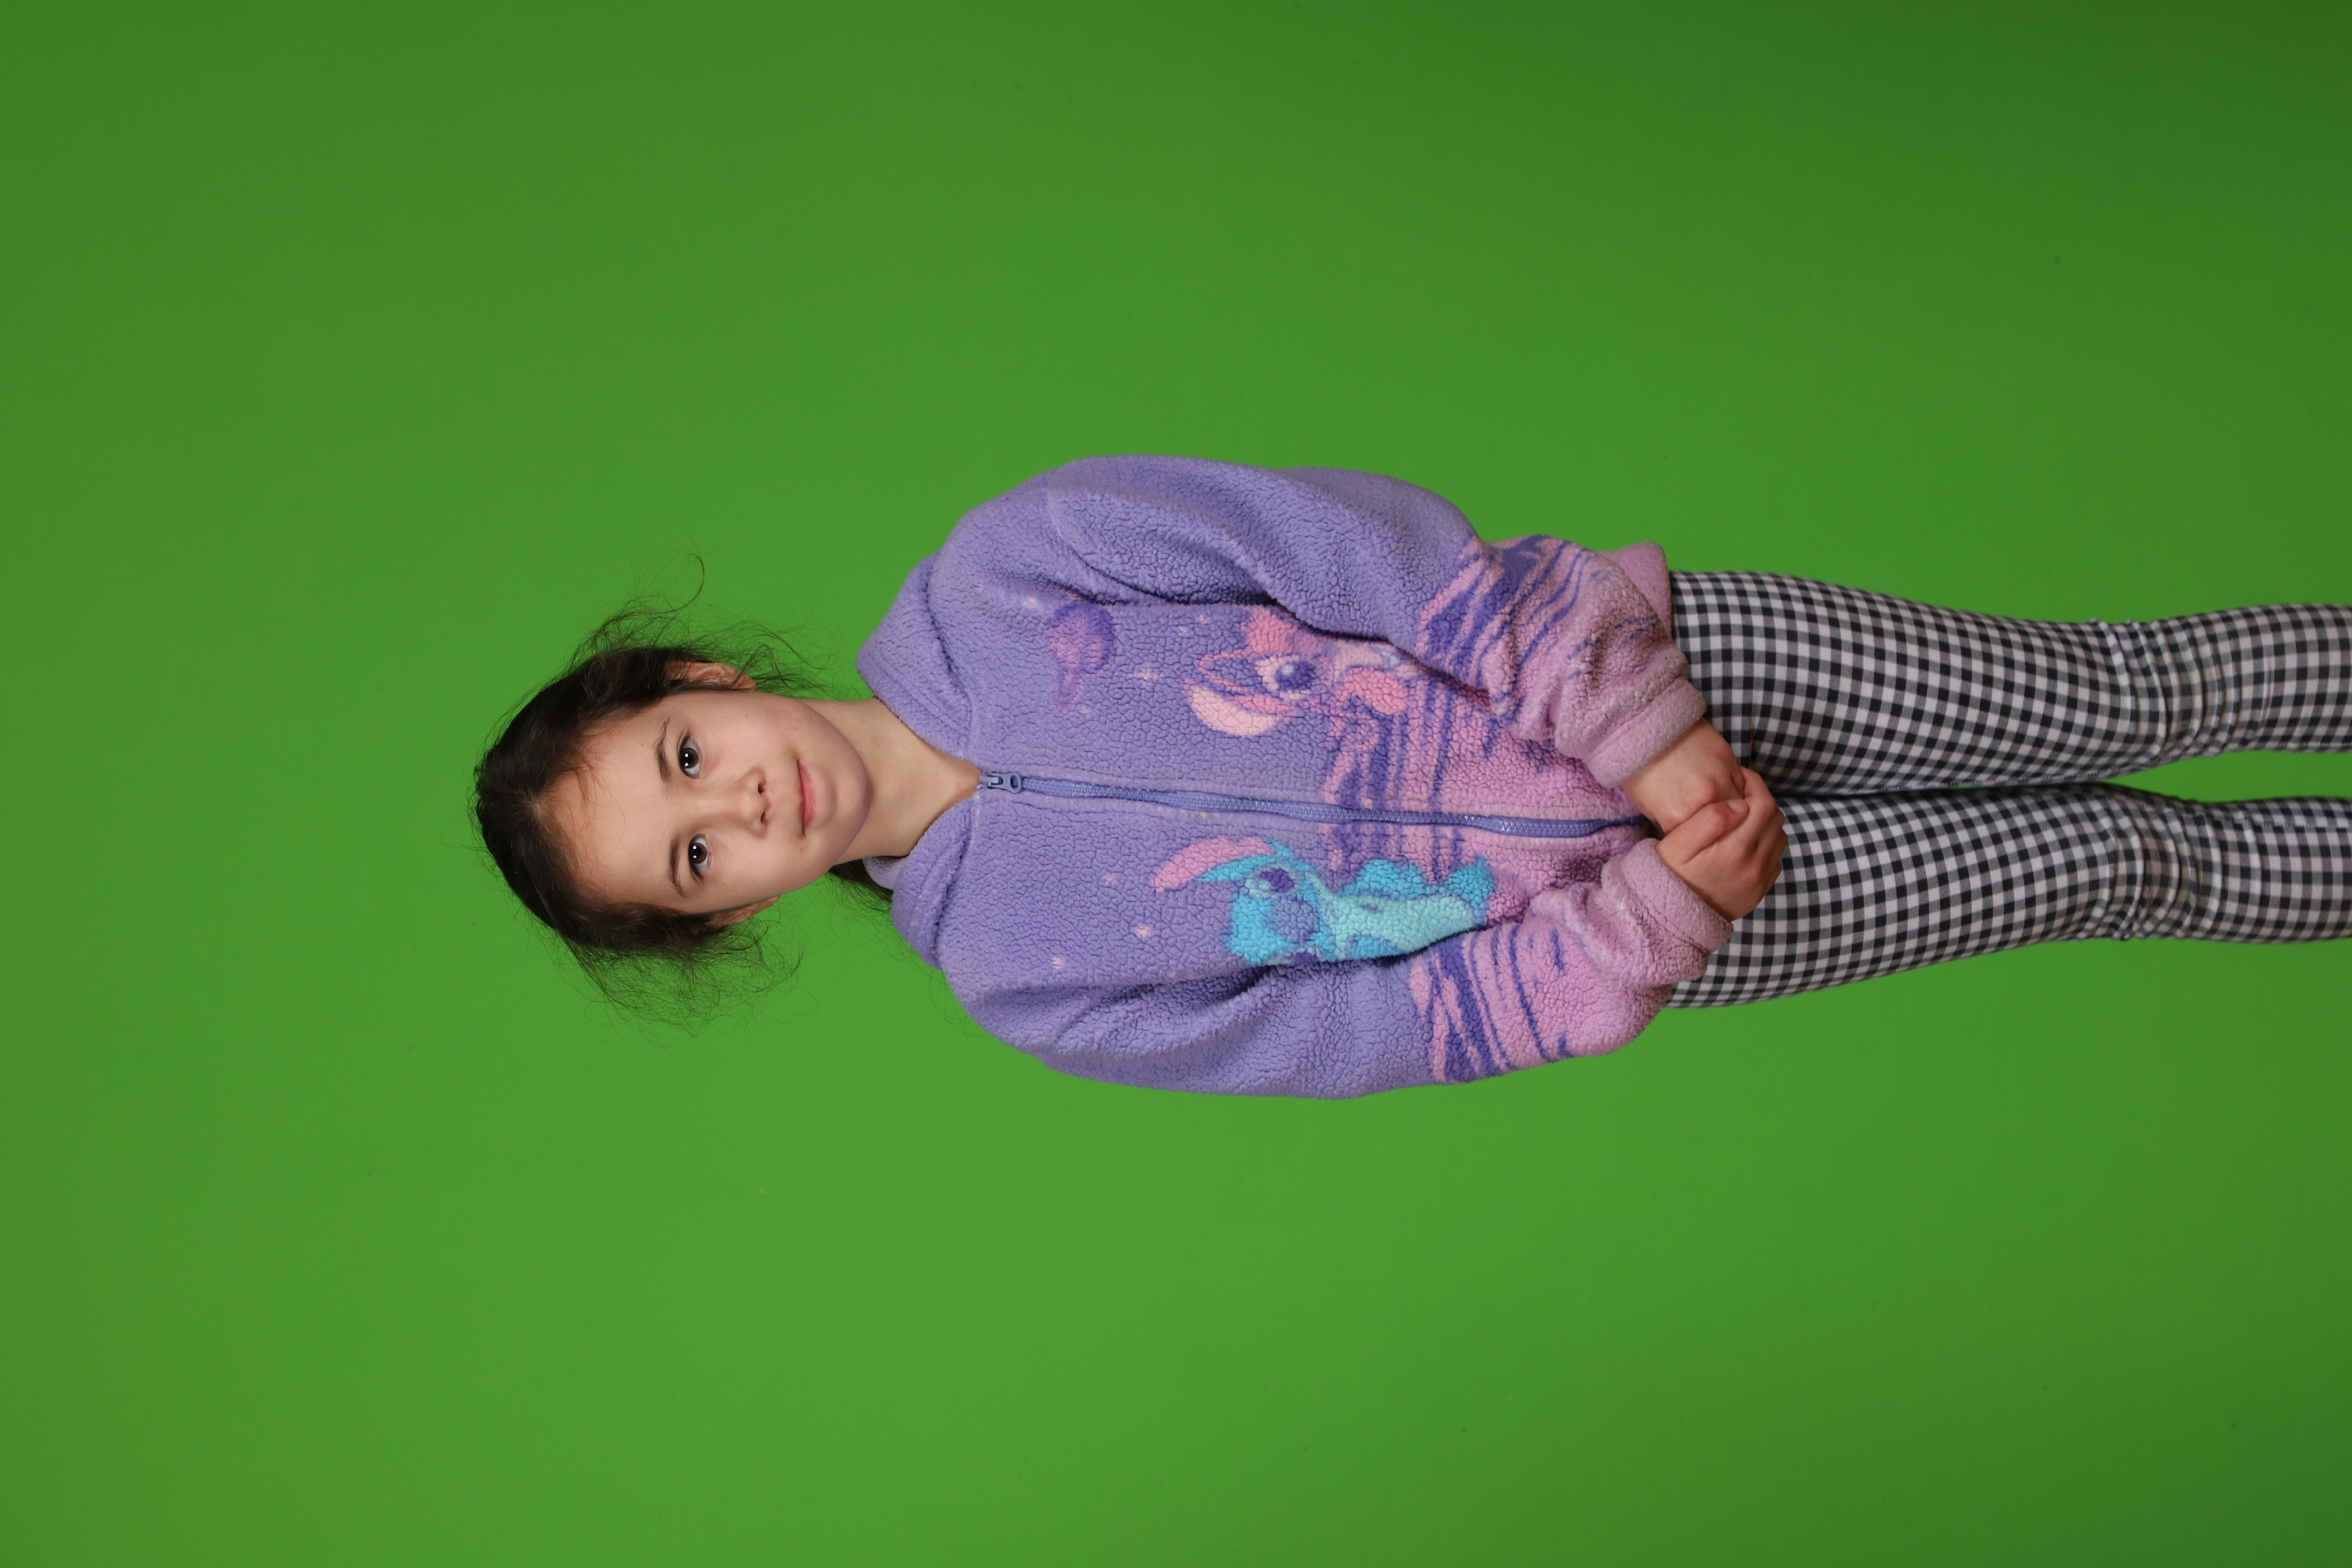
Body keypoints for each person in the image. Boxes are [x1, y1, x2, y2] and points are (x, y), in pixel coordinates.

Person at [474, 456, 2352, 1096]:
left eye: (688, 759)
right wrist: (1647, 922)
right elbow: (1366, 1031)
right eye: (695, 858)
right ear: (728, 918)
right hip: (1684, 913)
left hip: (1680, 674)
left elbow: (1365, 552)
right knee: (2121, 872)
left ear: (705, 681)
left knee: (2123, 694)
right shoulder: (1017, 981)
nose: (741, 808)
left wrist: (1646, 729)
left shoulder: (1009, 570)